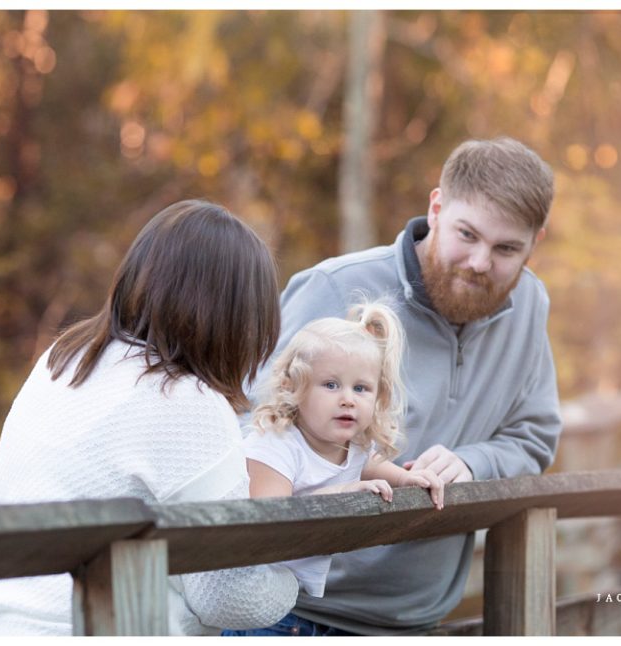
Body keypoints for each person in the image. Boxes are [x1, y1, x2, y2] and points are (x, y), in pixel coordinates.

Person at [0, 199, 299, 636]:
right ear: (239, 319)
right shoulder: (188, 403)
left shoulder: (65, 360)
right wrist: (297, 570)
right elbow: (228, 598)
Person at [236, 137, 562, 636]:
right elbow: (250, 421)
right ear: (436, 208)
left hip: (418, 621)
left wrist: (474, 462)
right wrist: (334, 497)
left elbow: (533, 436)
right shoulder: (333, 287)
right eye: (467, 234)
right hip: (293, 616)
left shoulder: (531, 305)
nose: (479, 261)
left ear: (535, 242)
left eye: (505, 249)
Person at [236, 302, 444, 604]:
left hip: (292, 597)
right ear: (293, 387)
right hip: (255, 596)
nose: (348, 399)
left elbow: (369, 463)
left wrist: (406, 479)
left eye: (361, 389)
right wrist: (342, 494)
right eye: (331, 385)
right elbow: (270, 520)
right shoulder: (275, 444)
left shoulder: (355, 444)